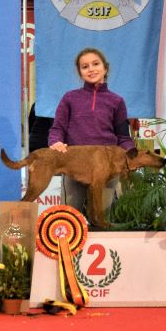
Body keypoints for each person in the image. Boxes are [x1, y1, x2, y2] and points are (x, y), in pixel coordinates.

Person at [48, 47, 134, 218]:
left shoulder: (117, 101)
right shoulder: (69, 98)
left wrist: (132, 155)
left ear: (105, 68)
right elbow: (57, 128)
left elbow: (123, 136)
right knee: (68, 218)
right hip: (75, 164)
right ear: (80, 73)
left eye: (96, 64)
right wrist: (55, 141)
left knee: (101, 218)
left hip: (107, 167)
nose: (91, 69)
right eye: (85, 66)